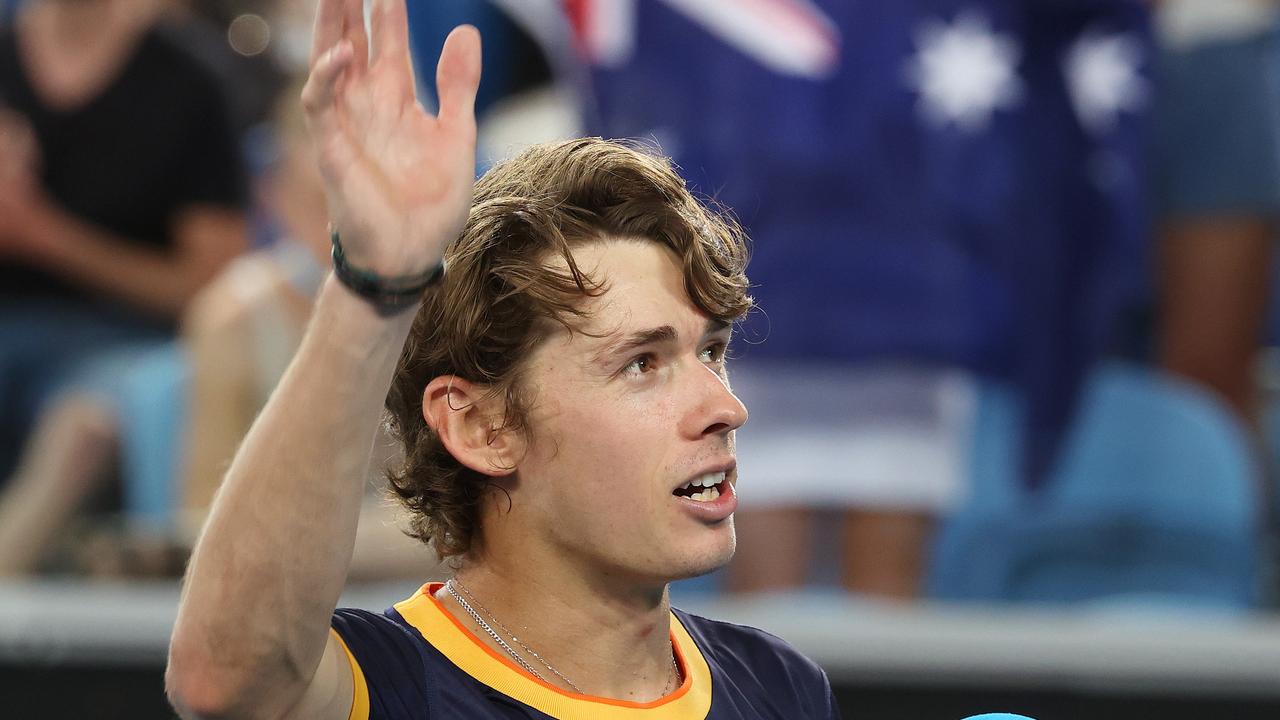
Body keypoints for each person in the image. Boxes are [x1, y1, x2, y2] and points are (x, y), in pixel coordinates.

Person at [165, 0, 839, 718]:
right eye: (642, 363)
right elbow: (224, 678)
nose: (724, 409)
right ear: (481, 427)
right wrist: (375, 283)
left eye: (712, 351)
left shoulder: (782, 687)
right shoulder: (387, 685)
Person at [0, 0, 247, 574]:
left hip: (125, 340)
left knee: (82, 428)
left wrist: (43, 233)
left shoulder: (186, 81)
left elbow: (210, 286)